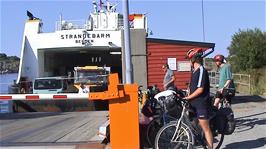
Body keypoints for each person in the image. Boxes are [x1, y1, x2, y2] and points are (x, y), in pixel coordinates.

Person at [183, 48, 213, 149]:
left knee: (206, 128)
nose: (188, 61)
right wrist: (186, 94)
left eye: (189, 59)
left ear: (194, 59)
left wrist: (188, 97)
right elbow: (192, 87)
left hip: (201, 103)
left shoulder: (201, 70)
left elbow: (200, 89)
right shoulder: (194, 71)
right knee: (194, 126)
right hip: (193, 103)